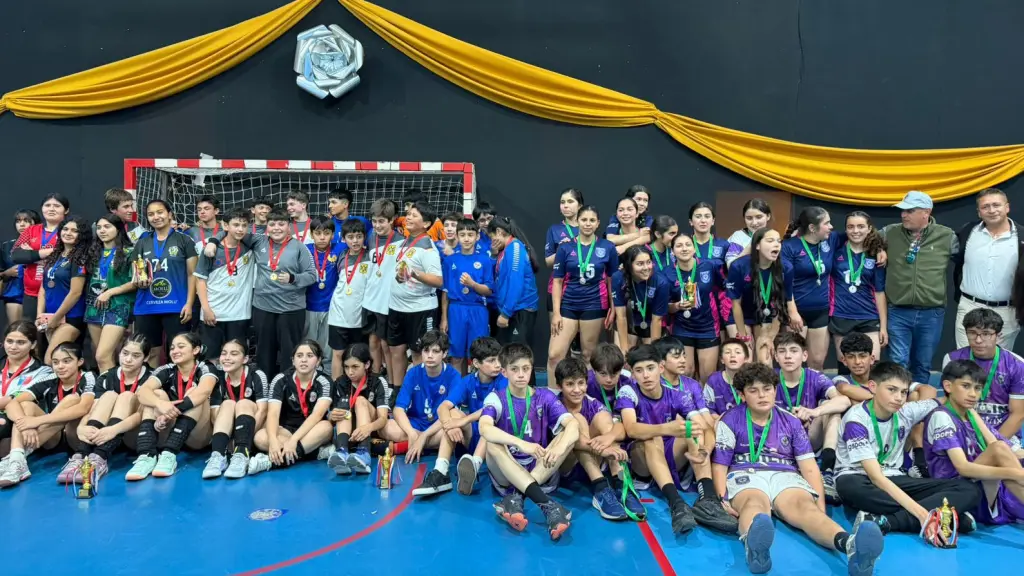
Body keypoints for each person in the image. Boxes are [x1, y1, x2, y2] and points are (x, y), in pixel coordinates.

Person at [711, 362, 883, 576]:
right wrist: (722, 498)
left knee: (806, 509)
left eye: (767, 389)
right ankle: (755, 550)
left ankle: (850, 546)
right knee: (754, 505)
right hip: (746, 473)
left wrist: (819, 504)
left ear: (775, 390)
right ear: (742, 395)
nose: (762, 395)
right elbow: (720, 465)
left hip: (785, 474)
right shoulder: (730, 419)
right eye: (753, 391)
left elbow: (809, 467)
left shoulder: (790, 421)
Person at [834, 361, 982, 547]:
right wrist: (923, 515)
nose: (899, 398)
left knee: (969, 490)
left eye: (903, 392)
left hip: (895, 478)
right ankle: (944, 514)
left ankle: (888, 521)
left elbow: (944, 400)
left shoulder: (906, 411)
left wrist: (967, 398)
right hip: (860, 478)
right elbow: (876, 478)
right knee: (851, 487)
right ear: (873, 387)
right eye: (892, 390)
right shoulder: (856, 420)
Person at [617, 344, 738, 534]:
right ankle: (676, 504)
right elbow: (631, 429)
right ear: (632, 374)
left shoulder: (678, 396)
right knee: (652, 437)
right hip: (641, 461)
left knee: (692, 430)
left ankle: (708, 499)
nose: (646, 376)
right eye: (639, 371)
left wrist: (704, 450)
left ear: (661, 368)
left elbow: (705, 428)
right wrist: (666, 428)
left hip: (669, 454)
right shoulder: (628, 391)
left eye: (650, 368)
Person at [479, 342, 578, 540]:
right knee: (490, 441)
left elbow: (573, 426)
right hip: (506, 471)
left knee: (567, 437)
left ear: (532, 369)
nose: (521, 375)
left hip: (540, 467)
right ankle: (549, 507)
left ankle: (516, 499)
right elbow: (484, 427)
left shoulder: (545, 396)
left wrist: (559, 450)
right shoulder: (496, 397)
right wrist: (521, 443)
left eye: (526, 369)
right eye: (514, 370)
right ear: (504, 372)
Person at [206, 210, 316, 375]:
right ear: (267, 227)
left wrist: (293, 278)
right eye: (272, 224)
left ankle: (286, 388)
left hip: (291, 309)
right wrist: (213, 241)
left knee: (289, 352)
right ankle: (264, 388)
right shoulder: (258, 240)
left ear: (289, 227)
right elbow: (232, 230)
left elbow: (312, 275)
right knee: (264, 352)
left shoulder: (299, 247)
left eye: (281, 224)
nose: (276, 228)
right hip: (263, 308)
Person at [924, 359, 1024, 525]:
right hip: (957, 490)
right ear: (948, 387)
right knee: (999, 450)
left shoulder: (970, 414)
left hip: (982, 484)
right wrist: (1017, 474)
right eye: (966, 386)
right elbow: (963, 467)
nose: (973, 394)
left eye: (977, 388)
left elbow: (999, 444)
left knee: (1000, 448)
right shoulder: (942, 416)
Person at [881, 191, 958, 385]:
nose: (903, 215)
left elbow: (968, 259)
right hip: (898, 311)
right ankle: (897, 407)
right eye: (902, 211)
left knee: (922, 364)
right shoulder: (889, 232)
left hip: (931, 312)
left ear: (926, 212)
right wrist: (879, 248)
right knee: (898, 362)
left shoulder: (946, 236)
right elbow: (858, 239)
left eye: (910, 210)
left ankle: (919, 407)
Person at [554, 356, 645, 521]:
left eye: (581, 383)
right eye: (570, 384)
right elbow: (576, 441)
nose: (576, 390)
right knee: (578, 421)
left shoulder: (593, 402)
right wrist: (605, 449)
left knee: (605, 421)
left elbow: (619, 428)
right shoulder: (554, 405)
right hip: (567, 466)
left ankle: (621, 484)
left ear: (586, 384)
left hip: (596, 459)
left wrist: (609, 439)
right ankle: (601, 489)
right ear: (559, 386)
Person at [0, 342, 96, 487]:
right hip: (51, 438)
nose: (60, 366)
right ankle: (17, 460)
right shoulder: (49, 378)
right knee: (26, 405)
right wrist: (26, 425)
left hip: (77, 436)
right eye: (55, 362)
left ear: (80, 362)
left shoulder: (88, 377)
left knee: (72, 399)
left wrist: (37, 421)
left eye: (66, 361)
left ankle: (17, 457)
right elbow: (11, 402)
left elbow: (83, 408)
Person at [127, 332, 218, 480]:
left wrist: (171, 411)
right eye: (172, 348)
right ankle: (147, 455)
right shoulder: (166, 369)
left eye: (181, 347)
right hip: (167, 428)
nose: (175, 351)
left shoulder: (205, 367)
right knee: (154, 394)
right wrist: (160, 404)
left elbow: (204, 391)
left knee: (194, 392)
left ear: (195, 350)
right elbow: (142, 392)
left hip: (197, 436)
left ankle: (170, 454)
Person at [773, 331, 852, 501]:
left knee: (831, 408)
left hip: (809, 436)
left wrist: (813, 412)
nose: (788, 356)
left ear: (804, 355)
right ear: (776, 356)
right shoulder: (769, 379)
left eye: (794, 351)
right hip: (778, 439)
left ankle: (828, 470)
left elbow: (844, 400)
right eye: (782, 351)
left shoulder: (815, 377)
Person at [429, 336, 505, 495]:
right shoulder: (467, 381)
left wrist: (463, 420)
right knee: (452, 413)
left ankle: (474, 467)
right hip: (471, 437)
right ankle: (440, 471)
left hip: (493, 439)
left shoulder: (503, 381)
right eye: (491, 360)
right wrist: (449, 425)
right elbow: (443, 407)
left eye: (498, 359)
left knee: (487, 424)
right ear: (476, 363)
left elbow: (492, 408)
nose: (497, 365)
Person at [941, 308, 1024, 451]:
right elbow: (949, 406)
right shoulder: (952, 359)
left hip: (1003, 436)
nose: (978, 340)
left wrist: (994, 445)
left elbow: (1018, 413)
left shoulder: (1017, 364)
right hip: (964, 433)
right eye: (972, 333)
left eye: (986, 334)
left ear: (998, 335)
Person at [73, 334, 153, 482]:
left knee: (126, 396)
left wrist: (114, 429)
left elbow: (142, 414)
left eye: (136, 355)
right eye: (125, 353)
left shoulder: (152, 378)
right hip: (103, 435)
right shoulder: (106, 377)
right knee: (109, 395)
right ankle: (81, 456)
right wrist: (81, 427)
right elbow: (94, 408)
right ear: (119, 353)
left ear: (146, 358)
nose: (128, 359)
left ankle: (100, 457)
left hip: (134, 435)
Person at [248, 340, 334, 474]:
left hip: (312, 430)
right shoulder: (280, 379)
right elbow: (273, 414)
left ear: (318, 361)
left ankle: (271, 462)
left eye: (309, 356)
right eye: (299, 356)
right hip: (286, 430)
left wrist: (294, 441)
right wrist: (273, 441)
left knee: (326, 427)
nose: (304, 360)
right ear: (293, 361)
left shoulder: (325, 381)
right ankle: (314, 452)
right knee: (260, 437)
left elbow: (317, 415)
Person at [952, 188, 1022, 351]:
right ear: (979, 212)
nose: (991, 210)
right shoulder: (967, 233)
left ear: (1007, 207)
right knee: (966, 365)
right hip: (969, 306)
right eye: (985, 207)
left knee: (999, 366)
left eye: (996, 205)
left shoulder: (1022, 237)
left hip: (1007, 312)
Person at [550, 205, 617, 374]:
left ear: (598, 223)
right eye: (584, 219)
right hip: (568, 305)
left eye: (592, 220)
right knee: (554, 355)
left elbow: (612, 280)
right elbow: (557, 282)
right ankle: (551, 397)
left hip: (594, 305)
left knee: (588, 355)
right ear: (578, 221)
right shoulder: (565, 248)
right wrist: (556, 313)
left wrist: (614, 307)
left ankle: (587, 397)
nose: (588, 224)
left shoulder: (607, 247)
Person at [131, 200, 198, 367]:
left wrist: (189, 304)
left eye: (160, 212)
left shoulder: (185, 240)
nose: (156, 217)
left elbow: (192, 274)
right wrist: (139, 280)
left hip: (176, 305)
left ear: (170, 214)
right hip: (147, 305)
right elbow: (135, 274)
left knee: (179, 351)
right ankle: (153, 388)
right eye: (151, 214)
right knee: (150, 352)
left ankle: (180, 389)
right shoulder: (142, 242)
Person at [387, 201, 444, 392]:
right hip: (396, 307)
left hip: (420, 310)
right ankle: (398, 391)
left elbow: (438, 280)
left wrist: (414, 274)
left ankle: (421, 393)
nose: (408, 218)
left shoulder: (428, 248)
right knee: (396, 350)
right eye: (408, 214)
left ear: (426, 224)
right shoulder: (406, 240)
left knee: (421, 353)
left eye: (414, 215)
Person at [380, 331, 460, 461]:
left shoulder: (454, 375)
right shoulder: (412, 373)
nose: (430, 356)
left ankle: (412, 444)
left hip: (439, 426)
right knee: (386, 427)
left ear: (444, 353)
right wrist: (411, 433)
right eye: (426, 351)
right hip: (415, 424)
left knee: (454, 430)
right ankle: (423, 443)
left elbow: (451, 414)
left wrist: (424, 436)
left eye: (435, 351)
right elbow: (398, 409)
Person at [202, 339, 269, 480]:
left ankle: (241, 454)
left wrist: (243, 438)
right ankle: (218, 455)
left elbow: (263, 412)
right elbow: (215, 415)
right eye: (224, 353)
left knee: (243, 403)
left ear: (245, 359)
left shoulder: (257, 375)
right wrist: (228, 442)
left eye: (234, 354)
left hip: (251, 429)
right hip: (227, 433)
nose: (227, 358)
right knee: (228, 404)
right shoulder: (218, 378)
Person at [194, 208, 256, 360]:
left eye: (244, 225)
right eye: (236, 225)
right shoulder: (211, 249)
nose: (240, 229)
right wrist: (206, 308)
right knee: (210, 358)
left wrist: (214, 239)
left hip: (239, 315)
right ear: (226, 225)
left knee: (236, 358)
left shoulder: (250, 247)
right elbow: (200, 280)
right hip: (213, 313)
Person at [830, 212, 888, 372]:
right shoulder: (836, 251)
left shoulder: (876, 255)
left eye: (861, 226)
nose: (856, 231)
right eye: (851, 227)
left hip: (869, 317)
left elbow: (879, 292)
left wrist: (883, 326)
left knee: (871, 366)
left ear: (869, 229)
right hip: (841, 316)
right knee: (845, 367)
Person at [727, 228, 794, 365]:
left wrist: (770, 337)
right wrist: (743, 336)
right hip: (741, 315)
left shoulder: (786, 268)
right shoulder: (738, 266)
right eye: (770, 241)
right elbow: (736, 304)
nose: (776, 244)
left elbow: (781, 304)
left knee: (765, 360)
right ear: (757, 245)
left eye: (778, 241)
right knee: (744, 360)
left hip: (766, 315)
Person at [782, 207, 837, 371]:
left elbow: (861, 238)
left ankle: (815, 395)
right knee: (792, 362)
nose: (831, 226)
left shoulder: (831, 239)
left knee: (817, 363)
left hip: (820, 310)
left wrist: (878, 250)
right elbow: (785, 282)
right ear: (813, 228)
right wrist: (792, 312)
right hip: (797, 311)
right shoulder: (789, 246)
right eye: (827, 223)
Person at [327, 343, 391, 475]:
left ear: (367, 365)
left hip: (372, 426)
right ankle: (342, 451)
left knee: (360, 400)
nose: (350, 372)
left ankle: (363, 452)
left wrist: (368, 427)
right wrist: (331, 416)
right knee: (342, 406)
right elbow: (330, 418)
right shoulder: (340, 382)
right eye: (346, 367)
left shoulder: (378, 381)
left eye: (355, 367)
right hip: (349, 429)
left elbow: (383, 418)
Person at [440, 218, 494, 375]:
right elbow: (445, 292)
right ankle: (459, 391)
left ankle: (476, 392)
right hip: (456, 309)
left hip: (478, 309)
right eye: (462, 234)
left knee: (478, 355)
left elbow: (489, 290)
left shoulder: (485, 260)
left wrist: (473, 284)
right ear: (457, 236)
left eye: (470, 235)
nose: (466, 238)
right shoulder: (450, 261)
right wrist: (444, 318)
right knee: (456, 356)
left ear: (477, 237)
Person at [668, 232, 724, 380]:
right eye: (679, 246)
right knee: (686, 372)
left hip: (708, 326)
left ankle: (705, 403)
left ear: (694, 249)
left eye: (688, 245)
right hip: (682, 327)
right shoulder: (667, 273)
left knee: (708, 375)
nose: (684, 249)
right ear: (672, 251)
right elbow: (664, 307)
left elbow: (723, 290)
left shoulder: (710, 266)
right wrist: (677, 306)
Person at [37, 215, 92, 362]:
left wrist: (56, 319)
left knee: (51, 361)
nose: (68, 233)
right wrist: (40, 316)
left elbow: (75, 293)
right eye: (65, 229)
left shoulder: (80, 259)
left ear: (82, 236)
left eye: (74, 231)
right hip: (50, 317)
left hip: (70, 317)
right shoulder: (55, 256)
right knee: (60, 362)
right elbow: (43, 288)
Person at [85, 215, 136, 372]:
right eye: (99, 227)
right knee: (102, 357)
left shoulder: (130, 251)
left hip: (118, 306)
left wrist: (111, 292)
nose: (102, 231)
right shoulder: (93, 252)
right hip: (94, 306)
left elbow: (136, 281)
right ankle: (106, 390)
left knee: (103, 355)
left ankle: (111, 393)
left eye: (107, 227)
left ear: (118, 229)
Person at [12, 193, 69, 323]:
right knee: (32, 334)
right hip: (31, 293)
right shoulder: (31, 230)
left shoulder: (69, 230)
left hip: (59, 293)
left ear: (66, 210)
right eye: (47, 205)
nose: (51, 209)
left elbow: (70, 256)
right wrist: (51, 253)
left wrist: (32, 254)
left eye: (56, 206)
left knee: (56, 335)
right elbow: (16, 256)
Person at [327, 219, 371, 379]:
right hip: (338, 312)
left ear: (364, 237)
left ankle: (360, 388)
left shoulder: (370, 256)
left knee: (359, 355)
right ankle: (336, 389)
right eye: (351, 237)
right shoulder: (339, 256)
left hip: (360, 315)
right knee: (338, 353)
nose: (355, 241)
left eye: (359, 236)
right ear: (343, 238)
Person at [0, 321, 52, 455]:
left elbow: (16, 399)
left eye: (21, 342)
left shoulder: (45, 372)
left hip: (17, 420)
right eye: (9, 341)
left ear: (33, 344)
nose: (13, 347)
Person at [488, 216, 539, 345]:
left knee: (518, 355)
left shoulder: (515, 248)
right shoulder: (505, 250)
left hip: (520, 309)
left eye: (491, 237)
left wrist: (505, 313)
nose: (492, 241)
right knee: (508, 354)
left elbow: (515, 283)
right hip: (512, 309)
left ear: (499, 232)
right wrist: (494, 254)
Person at [362, 199, 400, 374]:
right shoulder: (370, 237)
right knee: (373, 341)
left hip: (389, 300)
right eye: (374, 221)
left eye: (382, 221)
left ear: (392, 220)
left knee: (387, 344)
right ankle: (376, 377)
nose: (377, 225)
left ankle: (391, 382)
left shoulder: (401, 241)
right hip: (372, 299)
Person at [305, 217, 347, 375]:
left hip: (332, 307)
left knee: (329, 348)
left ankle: (328, 378)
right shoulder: (304, 250)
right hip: (309, 305)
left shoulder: (340, 248)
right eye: (318, 233)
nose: (322, 237)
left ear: (333, 234)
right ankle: (308, 377)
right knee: (309, 346)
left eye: (327, 233)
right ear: (311, 234)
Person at [612, 246, 668, 354]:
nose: (646, 267)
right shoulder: (618, 278)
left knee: (649, 357)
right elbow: (621, 316)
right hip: (628, 322)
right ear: (629, 266)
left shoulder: (661, 283)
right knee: (621, 358)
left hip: (650, 323)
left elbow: (657, 320)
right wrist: (624, 350)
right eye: (640, 264)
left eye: (648, 262)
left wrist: (654, 352)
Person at [544, 188, 583, 319]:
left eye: (570, 201)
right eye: (562, 202)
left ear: (580, 206)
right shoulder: (554, 229)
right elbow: (548, 262)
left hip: (583, 287)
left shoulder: (587, 227)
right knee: (557, 333)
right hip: (558, 287)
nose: (565, 205)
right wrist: (561, 250)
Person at [1, 210, 39, 327]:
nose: (21, 224)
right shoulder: (7, 246)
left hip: (39, 292)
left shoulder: (43, 243)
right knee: (16, 329)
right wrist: (6, 273)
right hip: (15, 293)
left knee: (36, 332)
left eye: (26, 221)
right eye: (18, 221)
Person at [703, 337, 751, 416]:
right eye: (728, 352)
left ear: (746, 358)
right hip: (718, 423)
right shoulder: (713, 380)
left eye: (738, 352)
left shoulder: (751, 379)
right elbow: (708, 409)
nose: (732, 355)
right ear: (722, 359)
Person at [585, 342, 632, 412]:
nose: (609, 380)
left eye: (614, 374)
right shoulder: (585, 383)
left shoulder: (627, 381)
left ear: (621, 370)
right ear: (594, 370)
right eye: (603, 374)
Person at [726, 198, 773, 266]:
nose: (754, 223)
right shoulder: (738, 237)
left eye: (759, 217)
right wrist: (749, 248)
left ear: (768, 216)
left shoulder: (774, 237)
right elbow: (730, 266)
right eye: (749, 218)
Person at [648, 214, 678, 285]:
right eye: (671, 234)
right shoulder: (645, 253)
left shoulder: (676, 251)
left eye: (676, 233)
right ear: (658, 234)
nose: (676, 237)